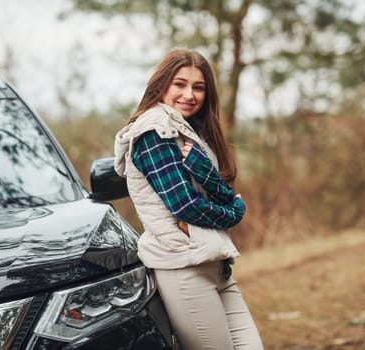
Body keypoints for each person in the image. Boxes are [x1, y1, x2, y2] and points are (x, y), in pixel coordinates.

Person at [114, 48, 263, 350]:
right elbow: (185, 205)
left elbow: (221, 188)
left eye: (198, 87)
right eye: (180, 84)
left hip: (214, 264)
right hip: (183, 268)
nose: (189, 95)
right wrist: (234, 213)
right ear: (162, 85)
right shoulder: (155, 131)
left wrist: (205, 172)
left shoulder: (190, 132)